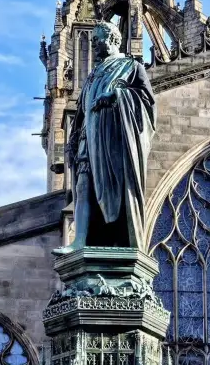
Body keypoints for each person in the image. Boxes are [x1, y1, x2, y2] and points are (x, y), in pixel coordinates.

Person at [57, 20, 156, 252]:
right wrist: (72, 141)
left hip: (113, 141)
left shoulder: (131, 67)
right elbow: (80, 112)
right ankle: (79, 241)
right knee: (82, 187)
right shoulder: (92, 75)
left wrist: (116, 96)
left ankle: (119, 240)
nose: (94, 45)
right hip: (87, 139)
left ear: (111, 39)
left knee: (116, 195)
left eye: (97, 40)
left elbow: (147, 104)